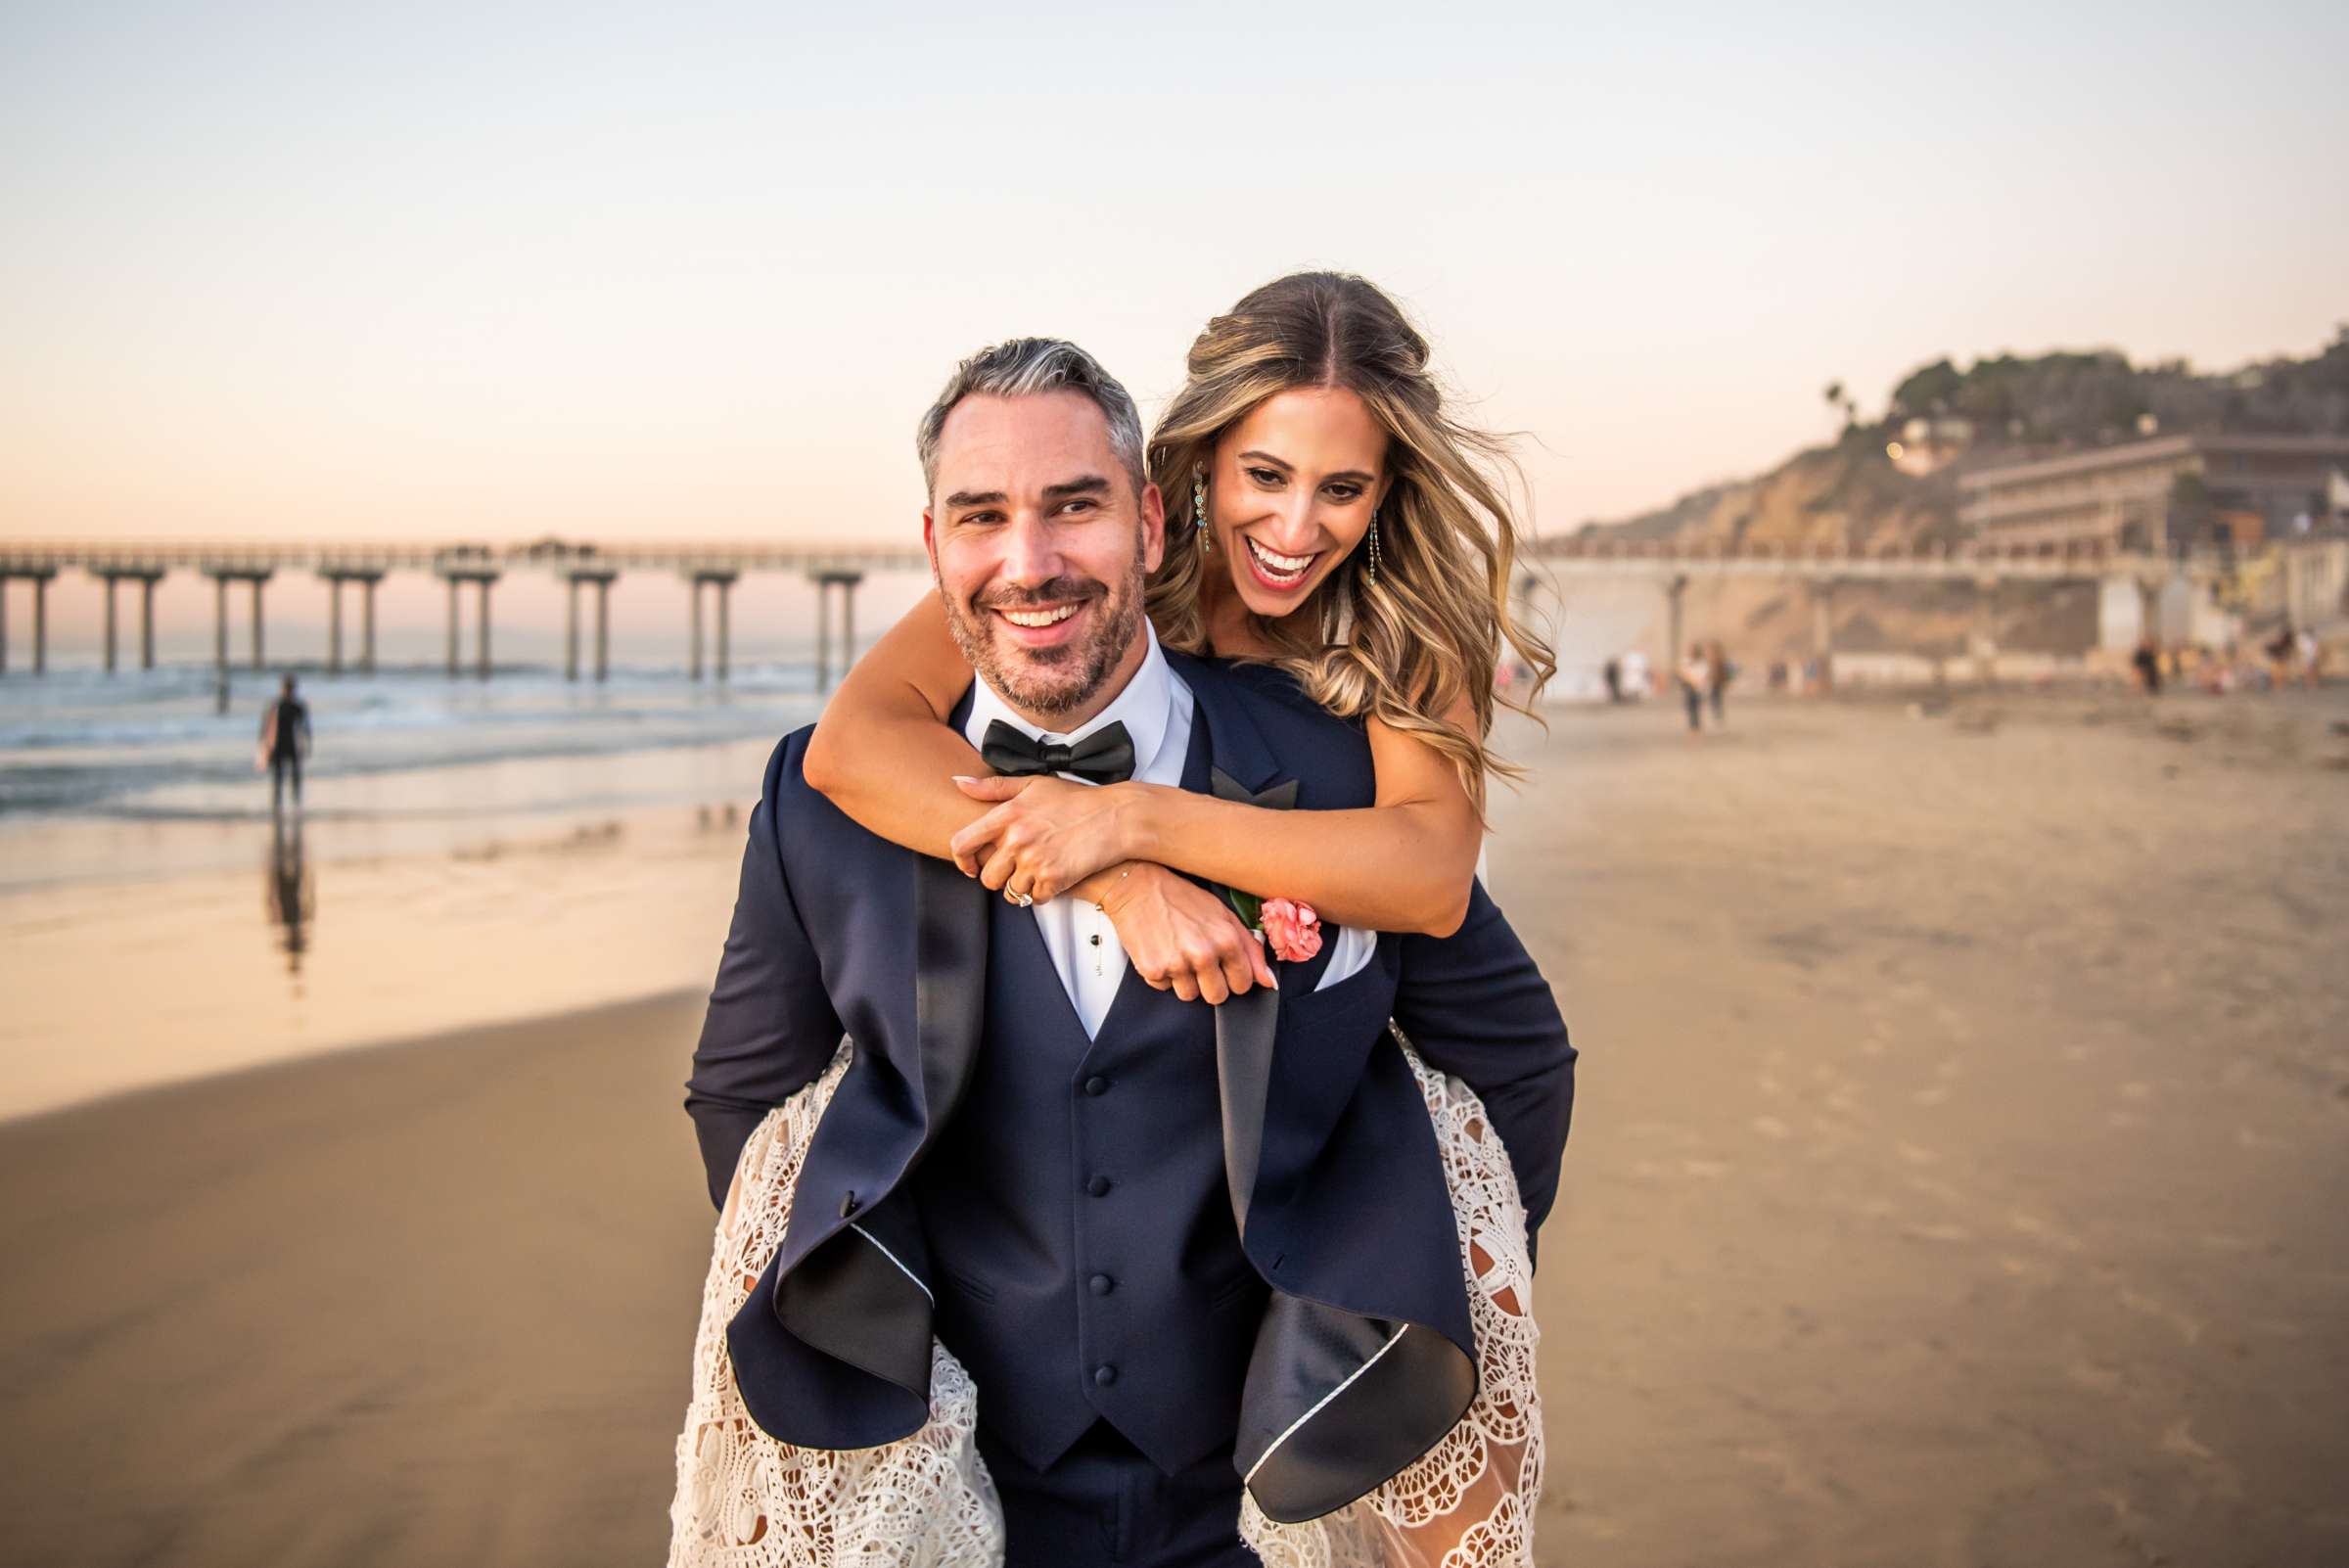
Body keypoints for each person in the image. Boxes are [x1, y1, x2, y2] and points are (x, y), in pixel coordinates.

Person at [673, 335, 1576, 1568]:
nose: (1030, 561)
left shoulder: (1333, 770)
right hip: (956, 1506)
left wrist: (1404, 1293)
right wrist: (870, 1337)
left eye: (1075, 507)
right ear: (933, 545)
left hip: (1259, 1504)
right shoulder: (829, 798)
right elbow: (744, 1097)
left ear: (1150, 520)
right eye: (981, 516)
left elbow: (1513, 1059)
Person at [255, 673, 311, 817]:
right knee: (278, 777)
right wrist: (263, 745)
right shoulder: (275, 706)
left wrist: (307, 744)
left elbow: (305, 728)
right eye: (287, 688)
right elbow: (265, 727)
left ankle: (296, 804)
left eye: (290, 688)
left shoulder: (297, 707)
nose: (288, 691)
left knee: (295, 776)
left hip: (292, 745)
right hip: (277, 746)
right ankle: (277, 806)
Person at [1678, 642, 1708, 733]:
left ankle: (1696, 726)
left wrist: (1690, 678)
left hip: (1698, 689)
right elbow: (1681, 673)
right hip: (1688, 689)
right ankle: (1692, 726)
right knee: (1689, 707)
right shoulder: (1687, 661)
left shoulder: (1702, 663)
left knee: (1696, 708)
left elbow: (1701, 678)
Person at [1705, 639, 1731, 725]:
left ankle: (1717, 715)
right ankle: (1717, 715)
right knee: (1715, 699)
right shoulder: (1716, 659)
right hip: (1715, 682)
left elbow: (1723, 672)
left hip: (1717, 682)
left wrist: (1725, 681)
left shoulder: (1718, 659)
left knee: (1716, 699)